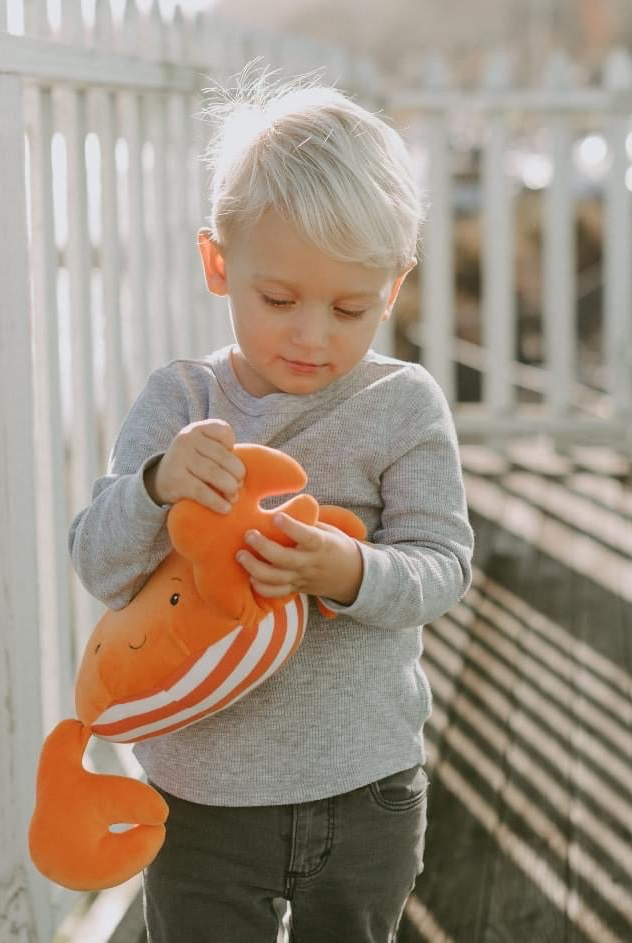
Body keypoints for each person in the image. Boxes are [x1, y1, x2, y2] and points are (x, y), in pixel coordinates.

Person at [68, 65, 473, 943]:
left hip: (365, 786)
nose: (311, 334)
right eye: (278, 298)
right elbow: (99, 561)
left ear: (393, 289)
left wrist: (351, 570)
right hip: (201, 796)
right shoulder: (181, 402)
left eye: (349, 307)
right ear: (218, 262)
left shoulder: (402, 406)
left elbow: (443, 564)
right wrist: (156, 486)